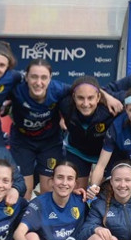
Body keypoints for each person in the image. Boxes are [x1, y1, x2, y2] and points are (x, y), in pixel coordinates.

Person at [8, 60, 123, 196]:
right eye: (34, 77)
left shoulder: (59, 90)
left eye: (44, 77)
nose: (39, 82)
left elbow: (86, 87)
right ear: (26, 77)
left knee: (101, 194)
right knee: (25, 190)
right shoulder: (17, 89)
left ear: (50, 78)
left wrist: (107, 96)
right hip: (27, 142)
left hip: (54, 143)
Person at [61, 76, 118, 192]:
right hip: (77, 151)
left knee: (103, 192)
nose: (86, 103)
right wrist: (61, 118)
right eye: (80, 98)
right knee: (77, 192)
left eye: (90, 98)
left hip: (105, 154)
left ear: (98, 97)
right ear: (73, 97)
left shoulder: (110, 106)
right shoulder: (65, 104)